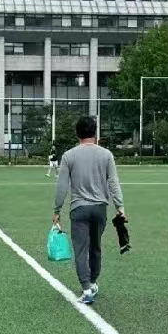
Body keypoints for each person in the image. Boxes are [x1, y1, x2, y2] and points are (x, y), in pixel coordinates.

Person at [52, 115, 125, 305]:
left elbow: (62, 185)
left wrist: (57, 209)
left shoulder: (69, 155)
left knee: (81, 250)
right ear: (95, 133)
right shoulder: (106, 154)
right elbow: (113, 182)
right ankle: (92, 282)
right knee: (95, 247)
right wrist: (120, 206)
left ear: (77, 133)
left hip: (79, 208)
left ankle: (86, 288)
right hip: (100, 208)